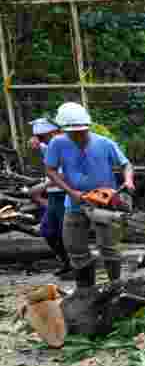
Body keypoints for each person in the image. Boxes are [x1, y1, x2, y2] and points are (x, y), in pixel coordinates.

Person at [44, 102, 134, 290]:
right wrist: (71, 192)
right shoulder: (57, 143)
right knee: (75, 248)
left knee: (109, 248)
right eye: (74, 133)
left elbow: (126, 164)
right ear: (64, 130)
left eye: (82, 132)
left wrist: (128, 180)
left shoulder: (104, 143)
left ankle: (115, 286)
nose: (78, 135)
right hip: (75, 203)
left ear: (88, 127)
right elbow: (50, 169)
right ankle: (85, 291)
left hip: (105, 203)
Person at [29, 117, 73, 277]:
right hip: (54, 195)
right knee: (47, 230)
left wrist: (44, 186)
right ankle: (66, 262)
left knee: (66, 232)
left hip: (65, 193)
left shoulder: (66, 145)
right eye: (40, 138)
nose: (43, 141)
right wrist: (36, 141)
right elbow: (40, 146)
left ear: (54, 132)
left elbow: (66, 172)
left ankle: (75, 266)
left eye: (43, 137)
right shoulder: (49, 145)